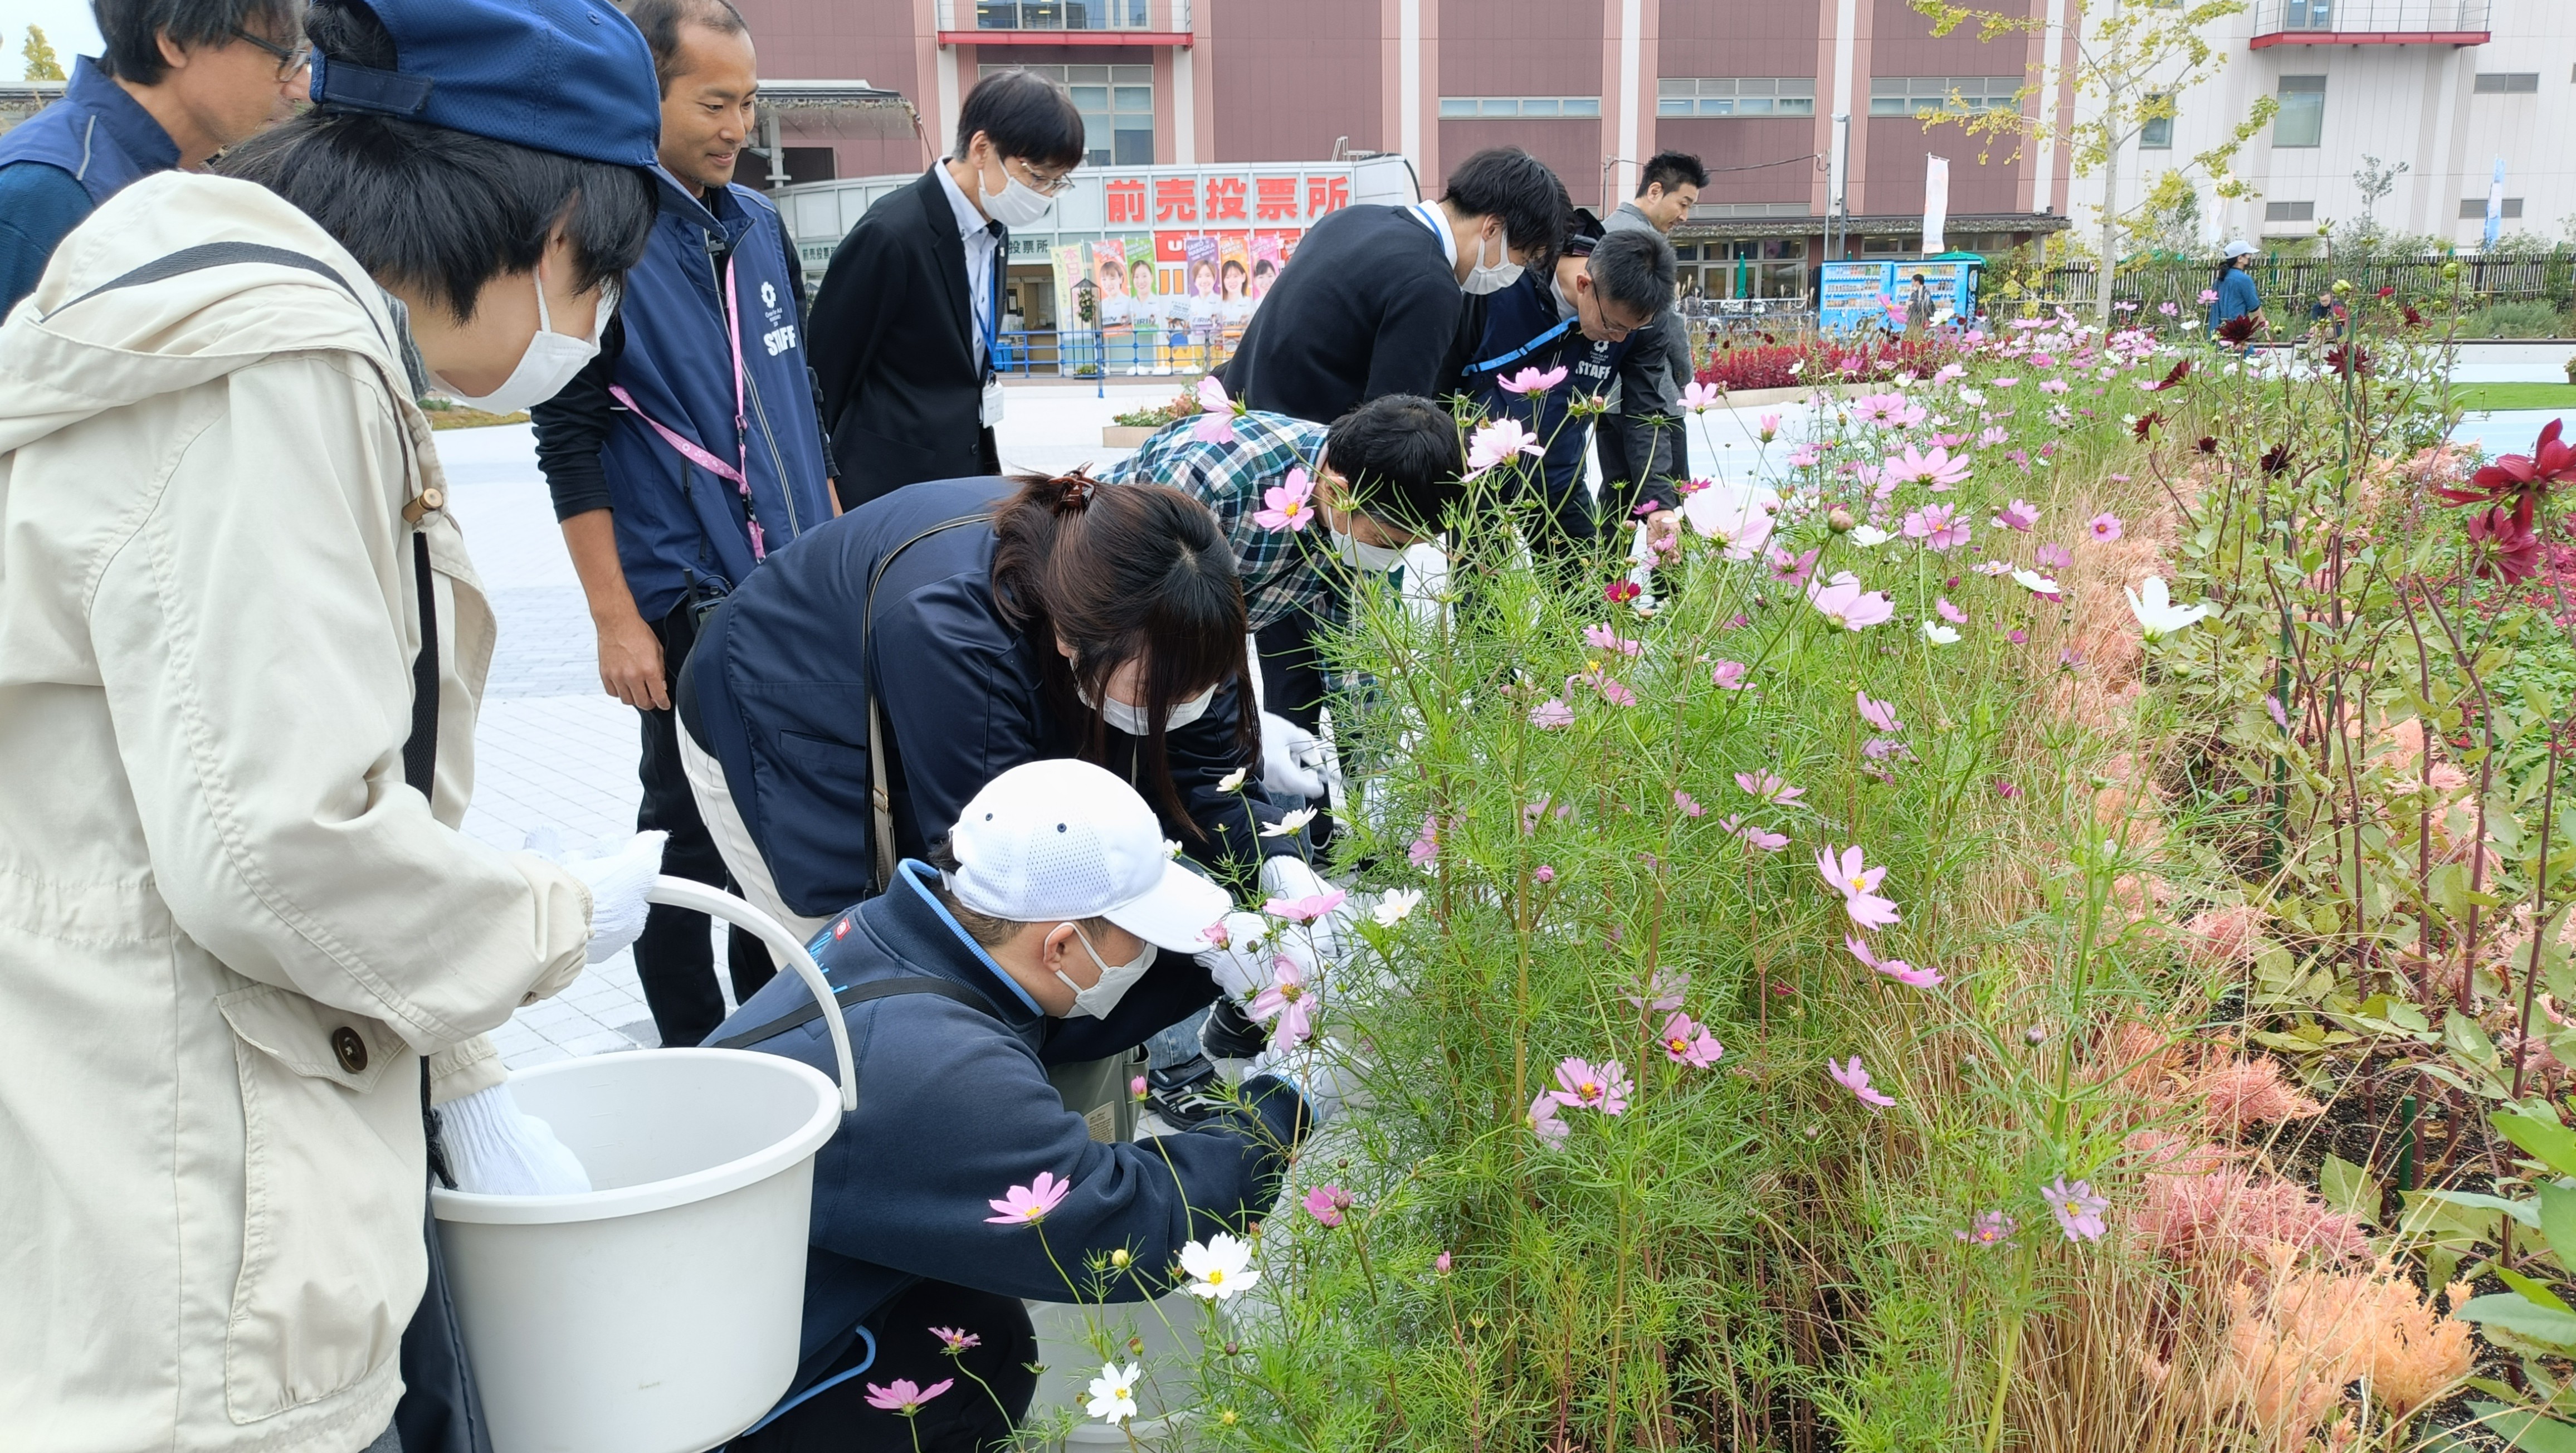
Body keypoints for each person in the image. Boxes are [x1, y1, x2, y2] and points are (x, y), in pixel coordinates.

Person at [0, 0, 675, 1446]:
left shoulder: (269, 332)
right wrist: (551, 921)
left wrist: (472, 1075)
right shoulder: (276, 366)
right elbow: (280, 851)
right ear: (556, 218)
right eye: (604, 277)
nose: (597, 322)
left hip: (193, 1164)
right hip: (201, 1240)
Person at [715, 759, 1331, 1450]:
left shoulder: (891, 933)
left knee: (987, 1323)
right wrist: (1289, 1096)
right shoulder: (938, 1069)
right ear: (1060, 943)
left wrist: (1218, 961)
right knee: (984, 1358)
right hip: (730, 1381)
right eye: (1143, 936)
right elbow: (1129, 1222)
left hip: (759, 1276)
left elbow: (1043, 1011)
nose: (1148, 951)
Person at [530, 0, 838, 1049]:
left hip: (788, 584)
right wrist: (615, 619)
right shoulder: (595, 236)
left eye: (748, 103)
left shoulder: (755, 225)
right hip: (683, 594)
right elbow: (568, 441)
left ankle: (770, 1040)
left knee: (778, 832)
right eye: (713, 103)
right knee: (685, 837)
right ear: (644, 93)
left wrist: (836, 552)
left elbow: (802, 404)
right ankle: (690, 1048)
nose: (737, 126)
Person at [675, 470, 1319, 940]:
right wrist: (1198, 942)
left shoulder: (1182, 609)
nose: (1187, 704)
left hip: (920, 681)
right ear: (1069, 641)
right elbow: (999, 868)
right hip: (779, 701)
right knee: (850, 958)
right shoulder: (959, 639)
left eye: (1202, 684)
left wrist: (1281, 868)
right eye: (1157, 693)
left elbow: (1205, 781)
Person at [1104, 393, 1460, 1122]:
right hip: (1123, 656)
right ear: (1335, 488)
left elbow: (1349, 645)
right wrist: (1214, 719)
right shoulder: (1214, 482)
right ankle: (1168, 1060)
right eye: (1391, 539)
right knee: (1156, 832)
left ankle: (1244, 1007)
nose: (1394, 556)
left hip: (1209, 655)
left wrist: (1363, 775)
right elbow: (1131, 618)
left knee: (1257, 832)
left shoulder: (1353, 511)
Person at [809, 69, 1084, 506]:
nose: (1044, 195)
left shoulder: (995, 231)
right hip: (887, 488)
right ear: (981, 149)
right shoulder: (891, 234)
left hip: (963, 476)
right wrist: (825, 498)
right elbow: (823, 376)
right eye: (1036, 177)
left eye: (1057, 183)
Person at [1220, 145, 1568, 427]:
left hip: (1237, 433)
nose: (1515, 273)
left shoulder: (1350, 218)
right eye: (1522, 258)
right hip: (1296, 464)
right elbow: (1391, 430)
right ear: (1492, 229)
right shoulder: (1430, 284)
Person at [0, 0, 309, 315]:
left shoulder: (177, 173)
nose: (302, 88)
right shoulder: (47, 191)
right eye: (284, 58)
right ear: (176, 40)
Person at [1462, 218, 1680, 571]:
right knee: (1483, 596)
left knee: (1582, 594)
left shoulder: (1643, 323)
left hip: (1561, 475)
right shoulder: (1506, 279)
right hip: (1482, 473)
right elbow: (1449, 367)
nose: (1620, 340)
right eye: (1613, 326)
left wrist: (1659, 503)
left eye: (1632, 331)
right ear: (1584, 285)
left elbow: (1645, 410)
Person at [1595, 150, 1704, 534]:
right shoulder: (1648, 243)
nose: (1684, 217)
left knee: (1618, 498)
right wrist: (1684, 378)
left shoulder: (1603, 229)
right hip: (1652, 392)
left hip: (1607, 394)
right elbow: (1667, 321)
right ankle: (1671, 573)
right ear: (1655, 191)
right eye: (1683, 204)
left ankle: (1609, 573)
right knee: (1671, 497)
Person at [2208, 239, 2268, 342]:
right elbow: (2254, 307)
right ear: (2240, 258)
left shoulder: (2218, 281)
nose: (2250, 258)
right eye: (2248, 256)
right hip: (2236, 336)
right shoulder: (2244, 280)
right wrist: (2263, 323)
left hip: (2216, 335)